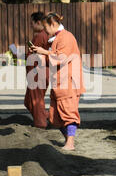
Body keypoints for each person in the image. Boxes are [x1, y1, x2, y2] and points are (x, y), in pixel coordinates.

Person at [31, 12, 85, 150]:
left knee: (68, 113)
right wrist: (42, 53)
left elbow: (61, 58)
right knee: (55, 116)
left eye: (46, 27)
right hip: (60, 82)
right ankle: (68, 140)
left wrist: (44, 52)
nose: (45, 31)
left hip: (68, 82)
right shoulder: (57, 37)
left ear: (53, 24)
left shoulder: (66, 37)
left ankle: (70, 143)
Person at [24, 12, 51, 128]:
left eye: (32, 23)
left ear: (38, 22)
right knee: (29, 101)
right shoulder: (45, 35)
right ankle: (46, 116)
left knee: (36, 101)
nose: (31, 25)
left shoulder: (41, 35)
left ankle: (41, 123)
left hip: (38, 72)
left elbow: (35, 54)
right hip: (38, 72)